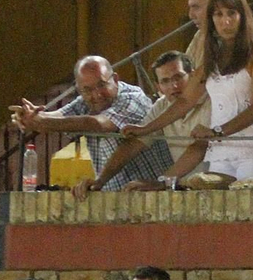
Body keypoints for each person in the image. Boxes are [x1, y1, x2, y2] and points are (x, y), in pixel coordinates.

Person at [164, 0, 253, 184]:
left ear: (242, 15)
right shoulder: (213, 54)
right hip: (221, 152)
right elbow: (186, 100)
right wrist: (144, 129)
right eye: (218, 14)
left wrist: (216, 132)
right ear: (211, 20)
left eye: (232, 13)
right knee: (204, 190)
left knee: (251, 205)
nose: (226, 21)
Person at [10, 56, 173, 191]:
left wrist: (41, 120)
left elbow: (98, 124)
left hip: (155, 195)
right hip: (116, 197)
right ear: (79, 89)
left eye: (102, 85)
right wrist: (31, 117)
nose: (97, 94)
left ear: (115, 79)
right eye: (87, 90)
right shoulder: (84, 101)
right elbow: (57, 117)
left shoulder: (133, 98)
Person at [83, 51, 209, 194]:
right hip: (185, 189)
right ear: (158, 87)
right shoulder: (161, 106)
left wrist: (162, 182)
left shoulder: (211, 99)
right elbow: (133, 144)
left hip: (220, 187)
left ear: (193, 76)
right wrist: (100, 181)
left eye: (178, 77)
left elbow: (200, 146)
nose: (174, 86)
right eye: (165, 81)